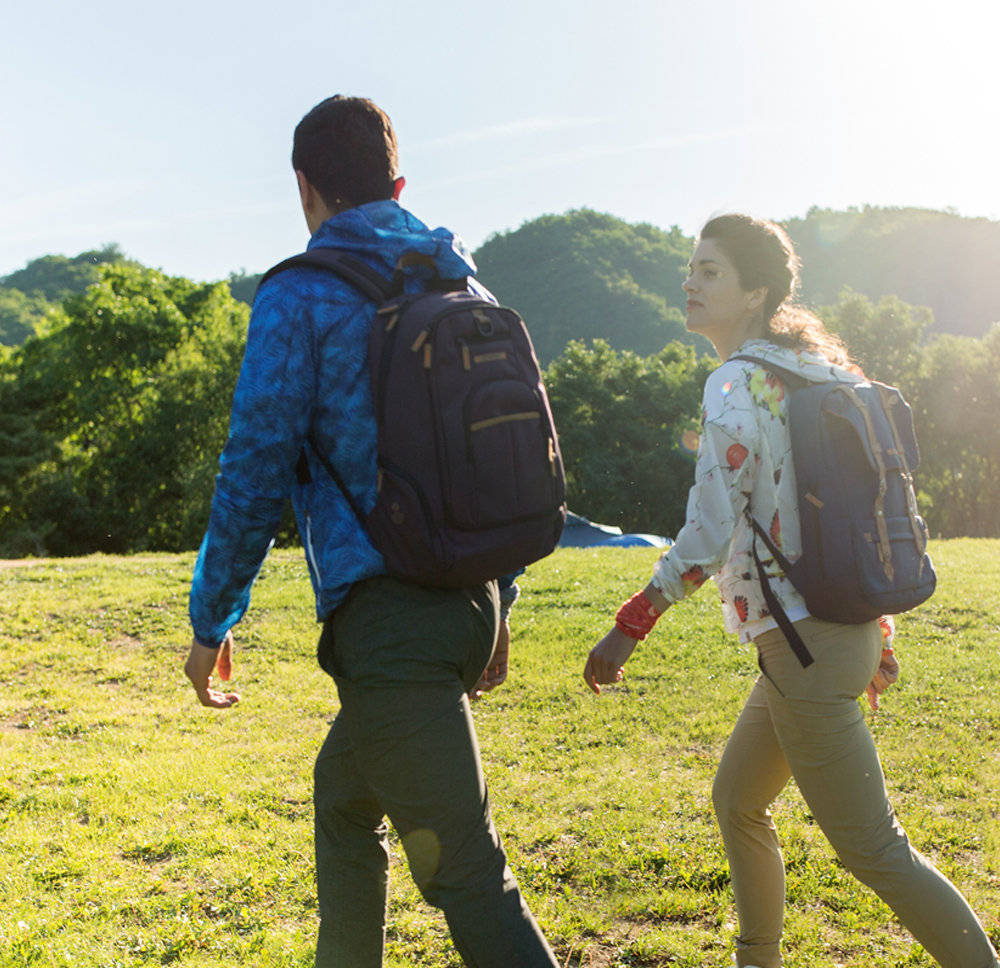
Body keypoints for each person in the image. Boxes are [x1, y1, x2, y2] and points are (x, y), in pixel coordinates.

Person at [184, 95, 558, 968]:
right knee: (345, 802)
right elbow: (507, 458)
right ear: (398, 183)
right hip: (464, 605)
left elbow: (253, 468)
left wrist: (212, 620)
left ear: (305, 189)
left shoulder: (300, 296)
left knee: (467, 875)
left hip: (391, 625)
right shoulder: (464, 283)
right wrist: (498, 602)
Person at [583, 213, 999, 968]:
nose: (691, 282)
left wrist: (631, 623)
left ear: (755, 293)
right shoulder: (826, 373)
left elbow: (711, 525)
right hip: (826, 636)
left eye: (710, 271)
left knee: (874, 850)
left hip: (807, 644)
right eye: (693, 267)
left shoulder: (737, 382)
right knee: (738, 802)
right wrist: (870, 628)